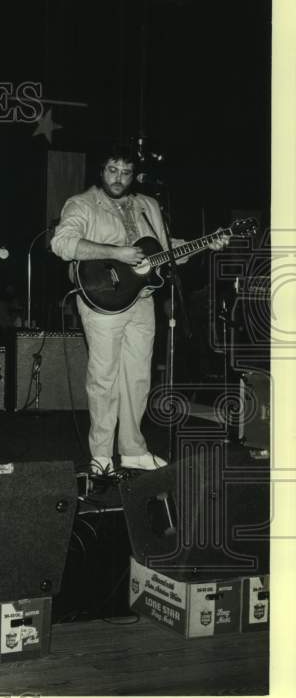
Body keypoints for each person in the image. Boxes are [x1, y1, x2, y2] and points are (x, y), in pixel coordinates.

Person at [50, 145, 228, 474]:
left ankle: (132, 449)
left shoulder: (148, 205)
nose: (119, 178)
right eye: (112, 170)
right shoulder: (82, 204)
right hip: (103, 301)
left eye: (126, 172)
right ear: (101, 171)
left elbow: (165, 250)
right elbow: (62, 244)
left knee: (138, 377)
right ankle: (102, 455)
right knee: (104, 378)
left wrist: (206, 243)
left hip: (143, 300)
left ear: (135, 175)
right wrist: (116, 253)